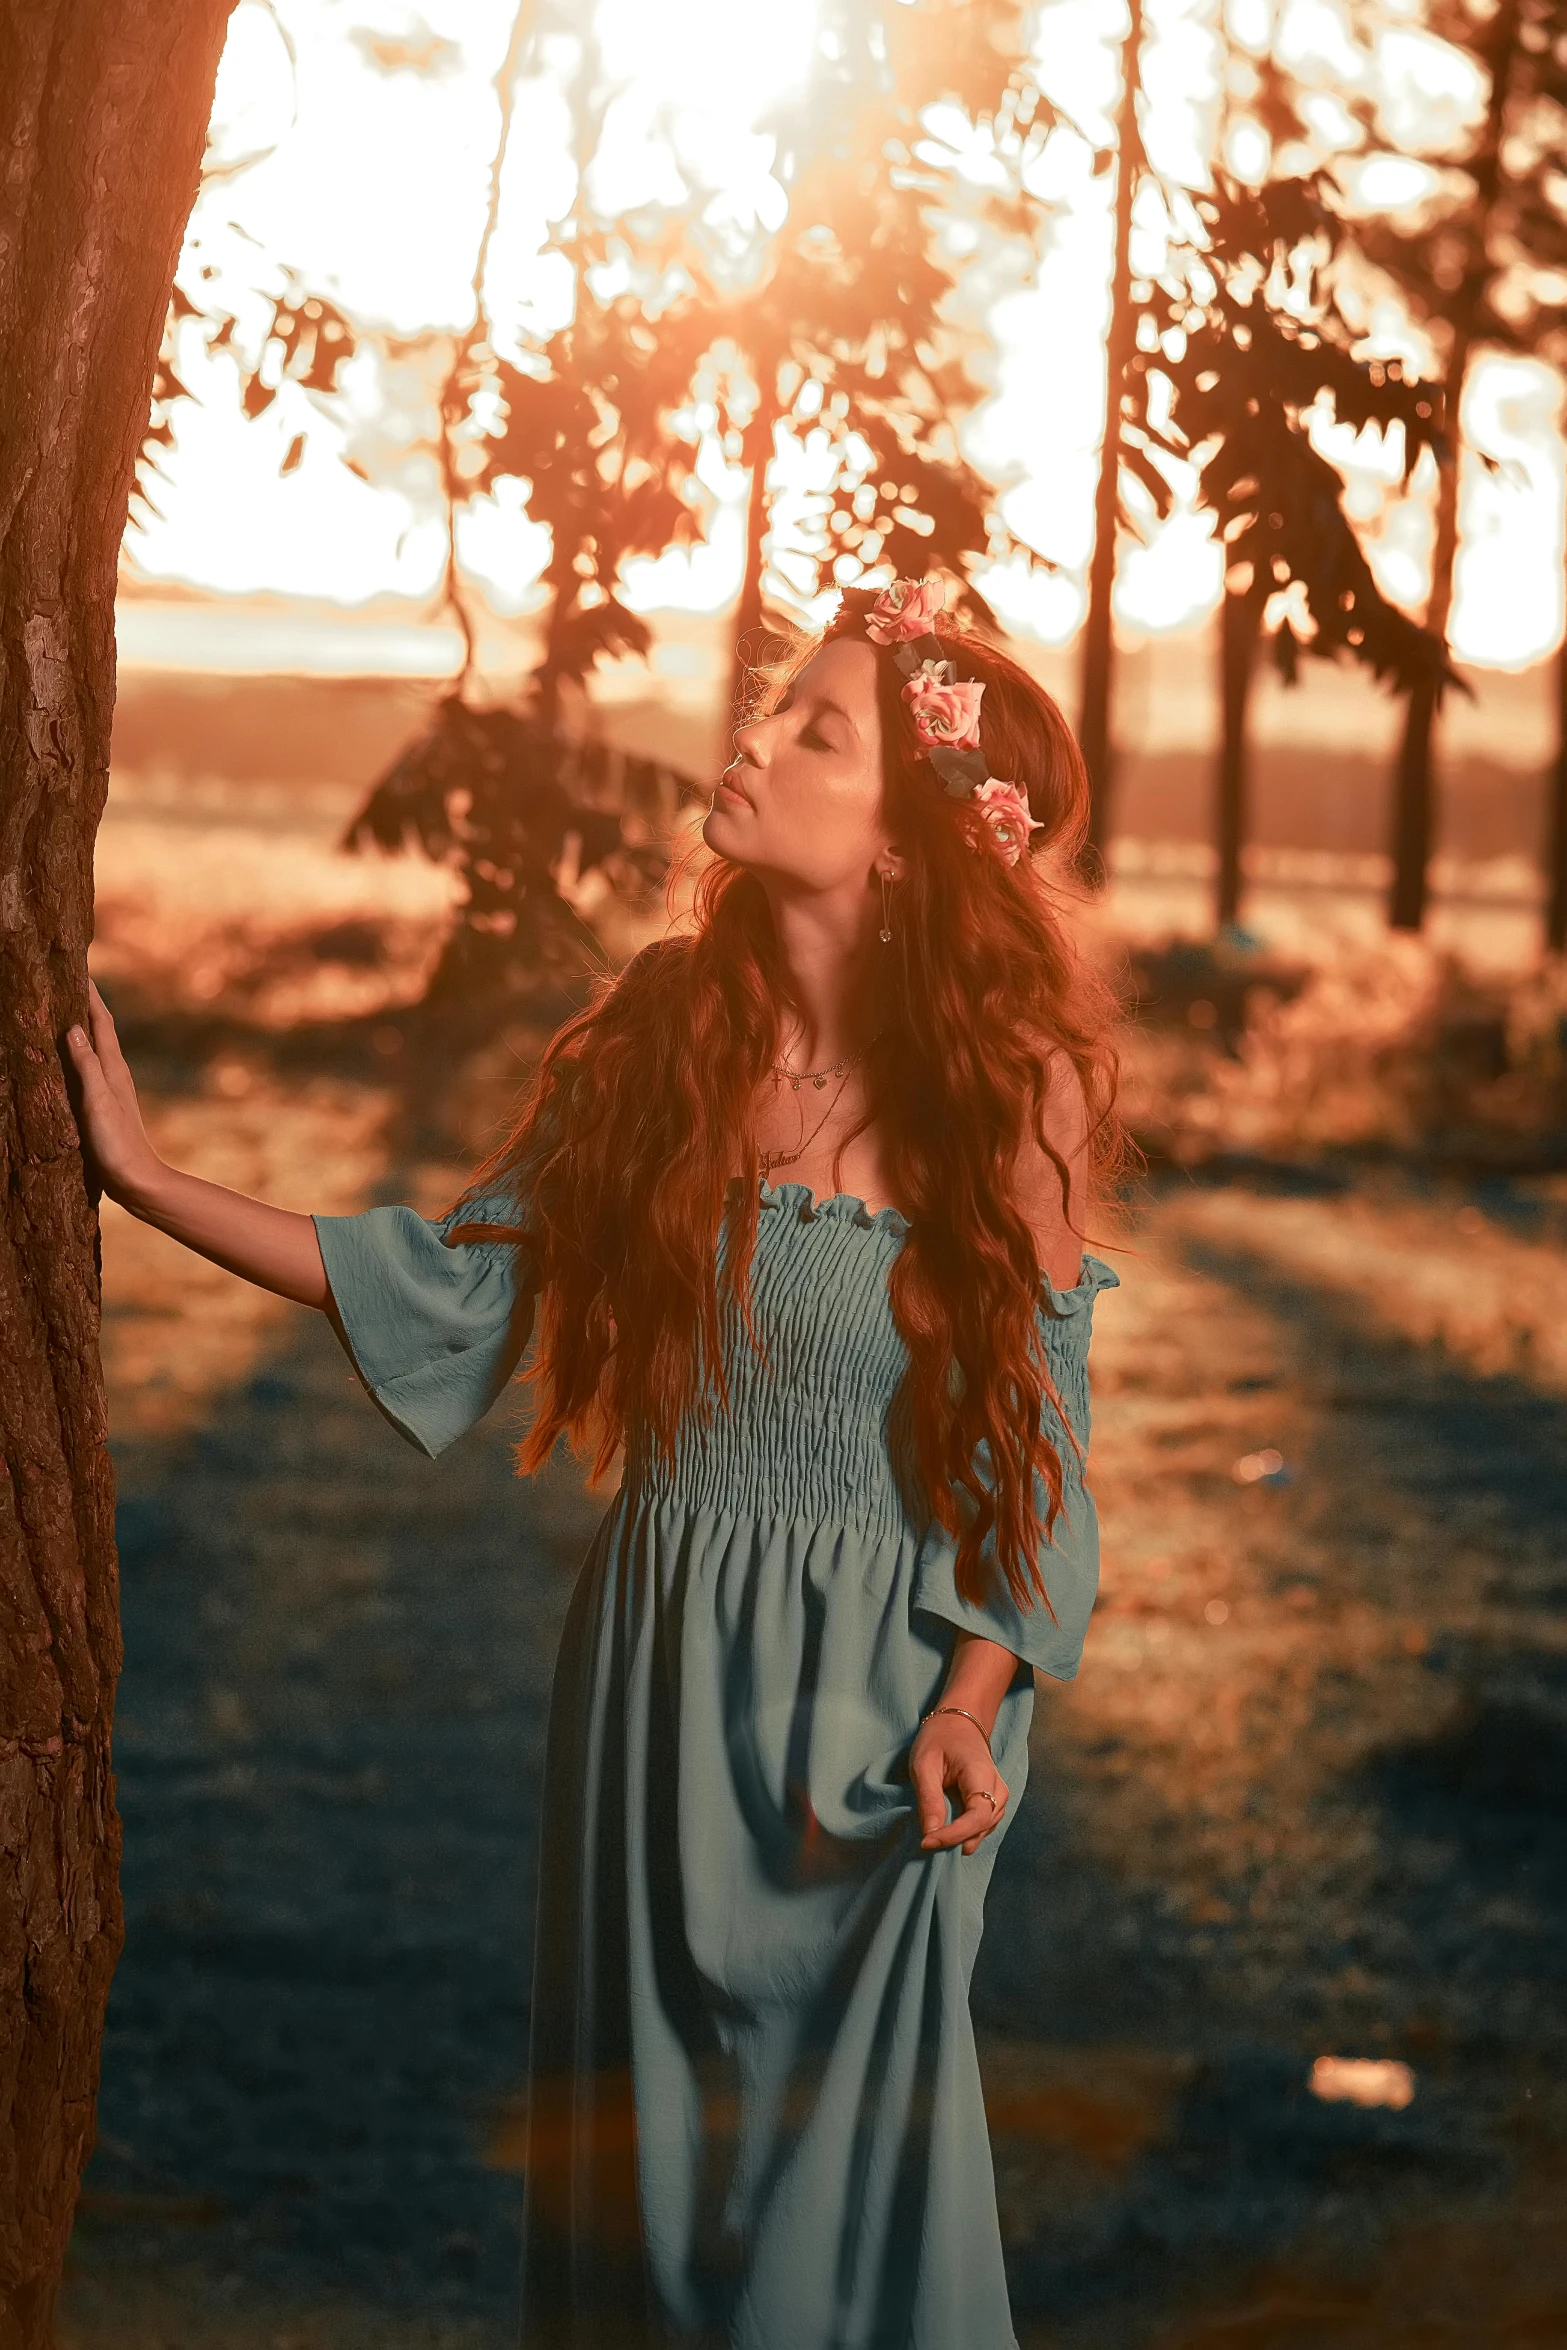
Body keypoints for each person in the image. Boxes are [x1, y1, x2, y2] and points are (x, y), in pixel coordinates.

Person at [68, 576, 1123, 2346]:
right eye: (775, 704)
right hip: (658, 1676)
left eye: (818, 730)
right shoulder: (663, 1036)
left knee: (827, 2257)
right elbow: (458, 1285)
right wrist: (154, 1182)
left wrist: (966, 1701)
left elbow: (1029, 1435)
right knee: (642, 2229)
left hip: (886, 1720)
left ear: (907, 842)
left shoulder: (1011, 1092)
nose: (755, 737)